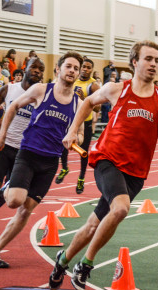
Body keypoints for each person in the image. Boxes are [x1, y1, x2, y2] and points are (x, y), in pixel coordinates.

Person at [48, 40, 158, 290]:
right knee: (121, 208)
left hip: (136, 172)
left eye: (157, 60)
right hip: (107, 159)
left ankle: (63, 260)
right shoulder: (116, 89)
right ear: (135, 62)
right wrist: (72, 129)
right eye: (148, 59)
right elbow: (88, 102)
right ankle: (85, 265)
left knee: (93, 225)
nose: (154, 64)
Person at [0, 52, 83, 268]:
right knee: (14, 201)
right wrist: (1, 135)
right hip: (28, 153)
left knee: (26, 209)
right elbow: (12, 107)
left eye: (76, 68)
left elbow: (80, 133)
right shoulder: (41, 90)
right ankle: (7, 189)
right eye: (68, 66)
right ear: (58, 69)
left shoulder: (79, 104)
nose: (72, 71)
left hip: (50, 163)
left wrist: (75, 137)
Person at [0, 58, 44, 247]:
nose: (37, 71)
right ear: (25, 68)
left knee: (17, 197)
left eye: (41, 69)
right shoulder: (9, 89)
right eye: (33, 67)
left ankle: (6, 188)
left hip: (25, 152)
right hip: (4, 146)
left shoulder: (42, 96)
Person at [55, 58, 100, 194]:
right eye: (84, 67)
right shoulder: (72, 79)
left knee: (83, 152)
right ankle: (64, 168)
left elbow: (97, 108)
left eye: (88, 67)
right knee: (63, 144)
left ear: (92, 70)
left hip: (84, 122)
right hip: (69, 119)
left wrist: (85, 100)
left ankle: (81, 178)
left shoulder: (93, 86)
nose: (85, 69)